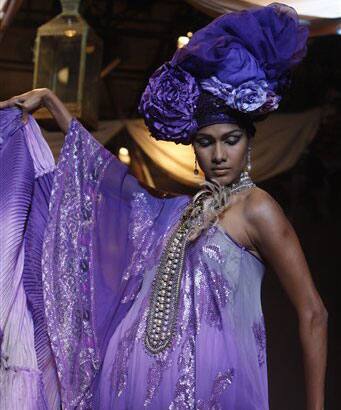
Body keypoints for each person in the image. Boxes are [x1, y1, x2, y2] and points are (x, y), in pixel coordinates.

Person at [0, 3, 327, 409]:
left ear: (248, 142)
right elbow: (109, 182)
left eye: (231, 139)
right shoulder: (179, 212)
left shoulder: (256, 207)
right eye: (206, 143)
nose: (219, 154)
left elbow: (314, 313)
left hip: (212, 393)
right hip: (133, 389)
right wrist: (51, 101)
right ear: (194, 149)